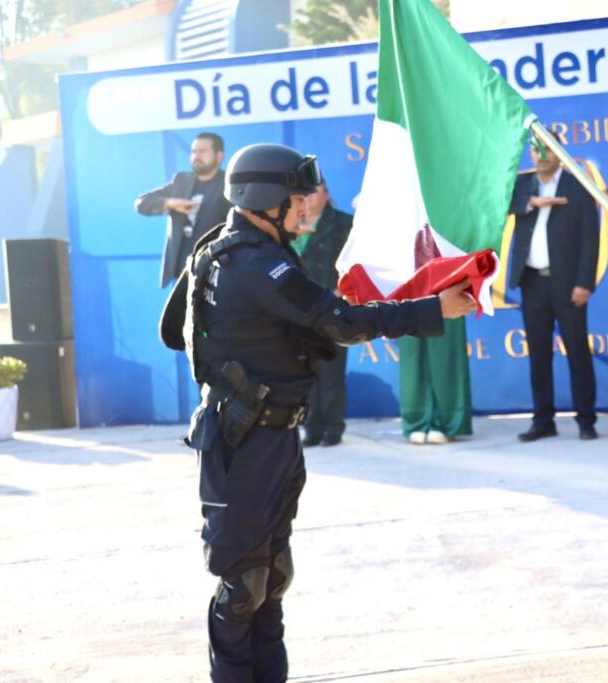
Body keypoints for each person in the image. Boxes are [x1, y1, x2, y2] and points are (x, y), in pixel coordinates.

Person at [158, 143, 476, 682]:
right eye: (297, 198)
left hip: (274, 436)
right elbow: (340, 323)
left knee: (271, 578)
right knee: (243, 587)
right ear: (266, 201)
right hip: (242, 441)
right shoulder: (254, 262)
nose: (307, 207)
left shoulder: (236, 246)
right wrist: (433, 309)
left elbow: (176, 330)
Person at [508, 140, 600, 441]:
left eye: (547, 148)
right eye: (535, 149)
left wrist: (584, 282)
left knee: (577, 352)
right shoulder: (521, 185)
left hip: (568, 283)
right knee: (538, 355)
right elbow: (495, 202)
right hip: (532, 282)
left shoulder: (577, 185)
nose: (540, 154)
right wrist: (530, 203)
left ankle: (586, 420)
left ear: (559, 154)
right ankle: (543, 420)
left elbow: (590, 238)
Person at [295, 182, 353, 448]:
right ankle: (312, 427)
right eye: (305, 193)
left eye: (315, 191)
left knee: (331, 369)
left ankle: (333, 427)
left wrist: (344, 289)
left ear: (327, 194)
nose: (309, 197)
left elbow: (355, 261)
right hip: (299, 309)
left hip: (332, 304)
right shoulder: (292, 224)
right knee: (307, 371)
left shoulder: (343, 223)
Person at [136, 132, 234, 288]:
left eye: (202, 151)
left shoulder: (228, 185)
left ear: (219, 156)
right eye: (194, 151)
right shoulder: (181, 182)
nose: (196, 156)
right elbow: (141, 203)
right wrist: (170, 203)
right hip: (182, 274)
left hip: (214, 272)